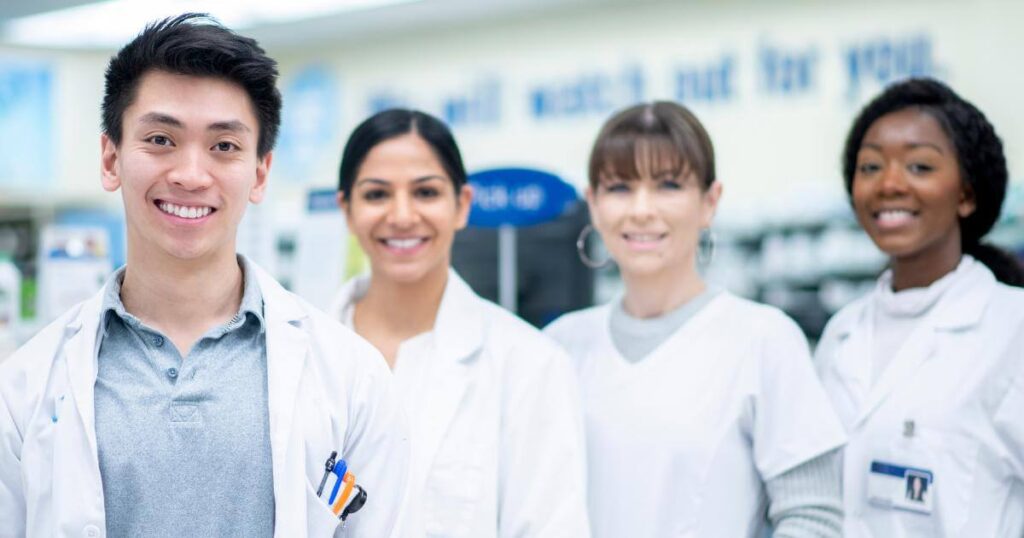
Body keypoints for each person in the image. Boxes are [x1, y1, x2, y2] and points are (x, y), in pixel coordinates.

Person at [0, 14, 407, 538]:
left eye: (224, 147)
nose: (191, 175)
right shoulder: (26, 386)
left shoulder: (351, 377)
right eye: (161, 139)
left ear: (259, 172)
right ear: (110, 157)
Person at [544, 101, 847, 538]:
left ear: (709, 202)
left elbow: (813, 518)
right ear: (593, 204)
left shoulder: (763, 339)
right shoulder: (561, 346)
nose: (642, 209)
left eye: (668, 185)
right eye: (620, 188)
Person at [329, 109, 590, 537]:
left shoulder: (528, 364)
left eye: (426, 193)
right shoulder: (300, 356)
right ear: (347, 210)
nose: (402, 215)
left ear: (462, 205)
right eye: (377, 195)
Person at [814, 77, 1024, 536]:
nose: (889, 184)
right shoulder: (840, 335)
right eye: (870, 167)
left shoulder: (1013, 327)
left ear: (966, 195)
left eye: (919, 167)